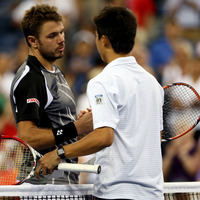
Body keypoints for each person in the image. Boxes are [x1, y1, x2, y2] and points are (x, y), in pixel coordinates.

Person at [35, 6, 164, 200]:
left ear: (104, 40)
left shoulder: (102, 81)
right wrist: (99, 125)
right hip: (153, 194)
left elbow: (105, 138)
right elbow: (150, 136)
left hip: (118, 194)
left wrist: (58, 154)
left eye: (96, 36)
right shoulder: (152, 83)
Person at [10, 4, 93, 185]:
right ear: (33, 41)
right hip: (41, 188)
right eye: (52, 36)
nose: (61, 39)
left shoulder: (55, 71)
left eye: (61, 32)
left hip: (64, 184)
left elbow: (57, 133)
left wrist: (79, 130)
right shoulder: (30, 78)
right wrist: (75, 128)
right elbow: (27, 136)